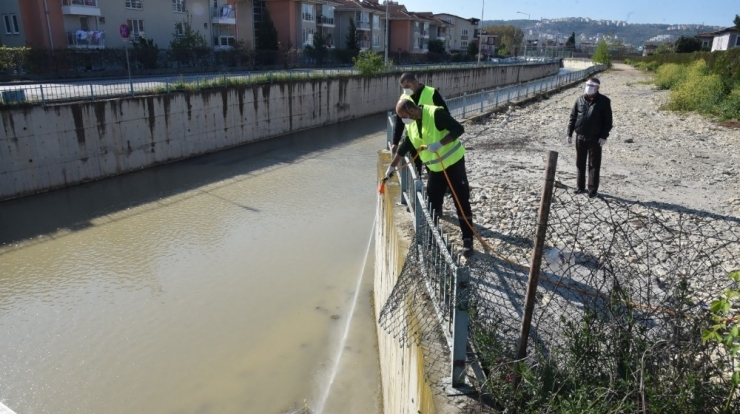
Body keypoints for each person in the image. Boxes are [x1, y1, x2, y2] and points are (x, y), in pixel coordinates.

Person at [385, 99, 474, 258]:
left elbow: (458, 129)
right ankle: (431, 239)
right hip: (435, 168)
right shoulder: (411, 124)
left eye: (403, 116)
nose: (403, 119)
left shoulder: (435, 113)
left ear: (411, 111)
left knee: (460, 201)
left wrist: (440, 143)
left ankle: (468, 240)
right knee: (431, 203)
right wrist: (392, 167)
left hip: (453, 163)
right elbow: (406, 145)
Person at [392, 73, 450, 176]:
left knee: (433, 165)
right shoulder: (404, 97)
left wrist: (445, 138)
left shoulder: (431, 93)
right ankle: (416, 187)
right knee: (415, 167)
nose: (405, 90)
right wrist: (395, 142)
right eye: (403, 88)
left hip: (431, 138)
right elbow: (400, 121)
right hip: (414, 138)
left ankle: (438, 184)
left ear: (415, 82)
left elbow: (445, 114)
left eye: (407, 86)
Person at [567, 77, 613, 198]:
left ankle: (592, 190)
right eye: (587, 85)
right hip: (580, 137)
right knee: (580, 163)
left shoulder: (604, 101)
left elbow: (608, 121)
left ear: (598, 88)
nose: (589, 88)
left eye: (592, 86)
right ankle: (580, 187)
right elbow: (573, 117)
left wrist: (604, 136)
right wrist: (569, 133)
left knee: (594, 165)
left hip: (595, 138)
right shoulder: (579, 100)